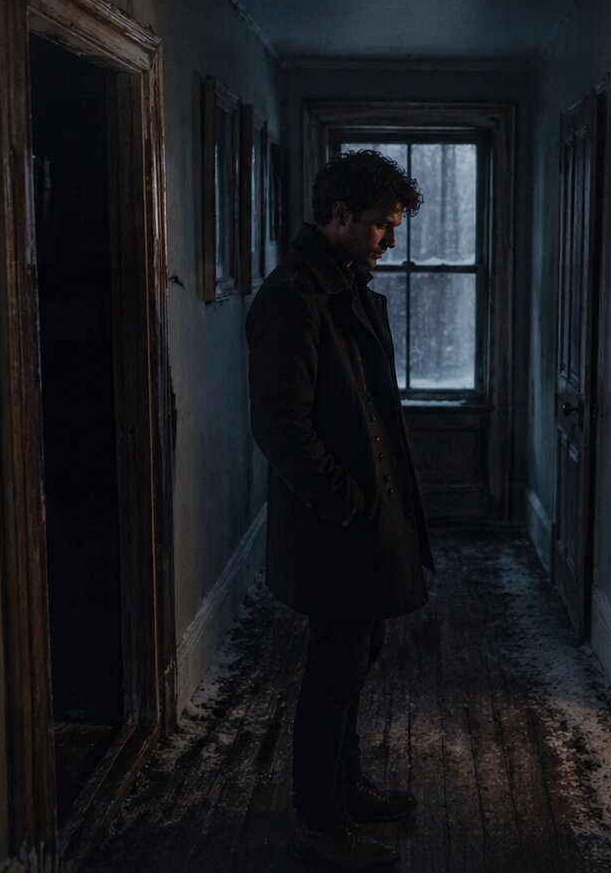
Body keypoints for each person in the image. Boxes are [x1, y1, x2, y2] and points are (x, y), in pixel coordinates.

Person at [246, 149, 433, 871]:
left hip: (360, 522)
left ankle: (344, 788)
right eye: (382, 225)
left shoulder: (340, 287)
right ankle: (318, 821)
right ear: (340, 216)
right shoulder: (294, 298)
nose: (389, 239)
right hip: (338, 525)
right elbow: (281, 425)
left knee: (356, 659)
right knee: (334, 670)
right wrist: (348, 503)